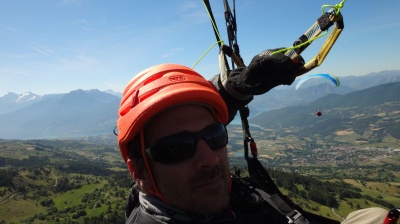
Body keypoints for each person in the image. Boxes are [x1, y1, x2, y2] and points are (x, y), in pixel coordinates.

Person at [116, 51, 391, 223]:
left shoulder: (209, 197)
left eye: (214, 135)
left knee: (377, 215)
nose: (209, 158)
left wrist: (236, 89)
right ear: (138, 169)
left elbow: (193, 119)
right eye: (177, 148)